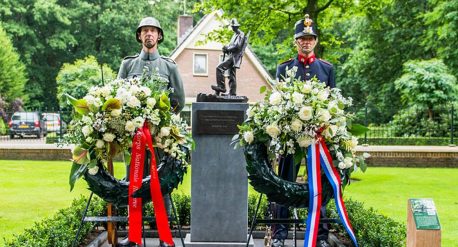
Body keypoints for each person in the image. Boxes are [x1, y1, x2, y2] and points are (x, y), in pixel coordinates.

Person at [117, 16, 185, 247]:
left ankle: (165, 236)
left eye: (152, 31)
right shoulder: (127, 65)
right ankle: (133, 235)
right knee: (132, 182)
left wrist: (162, 122)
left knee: (161, 183)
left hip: (159, 139)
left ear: (159, 36)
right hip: (134, 137)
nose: (148, 34)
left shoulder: (169, 66)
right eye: (144, 30)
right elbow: (117, 99)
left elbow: (179, 101)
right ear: (139, 36)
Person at [271, 14, 335, 247]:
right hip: (291, 138)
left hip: (317, 139)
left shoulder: (327, 69)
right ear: (296, 42)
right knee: (284, 183)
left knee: (319, 184)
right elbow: (278, 103)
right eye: (302, 39)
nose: (306, 42)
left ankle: (320, 235)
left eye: (310, 38)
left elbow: (332, 104)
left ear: (315, 41)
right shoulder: (284, 68)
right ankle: (279, 234)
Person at [211, 18, 245, 96]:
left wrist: (228, 48)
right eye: (232, 26)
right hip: (231, 55)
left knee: (219, 68)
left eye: (234, 26)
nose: (233, 28)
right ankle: (232, 93)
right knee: (231, 75)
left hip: (234, 57)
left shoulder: (241, 34)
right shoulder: (234, 35)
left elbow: (238, 46)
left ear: (237, 26)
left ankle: (221, 87)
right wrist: (226, 48)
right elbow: (231, 45)